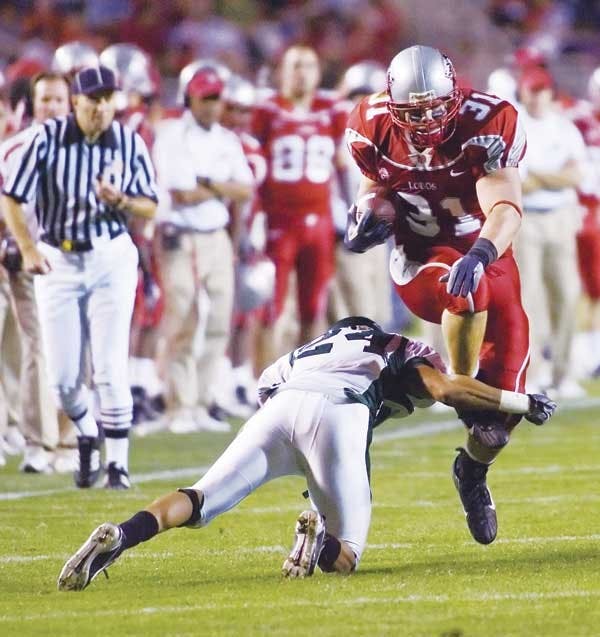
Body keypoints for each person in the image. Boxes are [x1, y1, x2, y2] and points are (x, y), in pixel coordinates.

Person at [57, 315, 555, 591]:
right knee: (347, 555)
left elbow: (271, 403)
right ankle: (316, 544)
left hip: (279, 406)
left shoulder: (297, 354)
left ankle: (122, 535)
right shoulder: (394, 345)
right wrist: (521, 401)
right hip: (339, 412)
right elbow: (447, 391)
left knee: (201, 497)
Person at [345, 45, 529, 544]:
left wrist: (481, 253)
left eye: (433, 107)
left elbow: (507, 207)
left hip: (487, 255)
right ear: (393, 104)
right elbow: (372, 187)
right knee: (459, 294)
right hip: (421, 258)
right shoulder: (372, 124)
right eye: (413, 111)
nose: (425, 120)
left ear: (454, 95)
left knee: (499, 422)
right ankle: (463, 388)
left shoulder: (490, 119)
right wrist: (366, 216)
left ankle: (471, 472)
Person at [0, 65, 158, 489]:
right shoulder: (45, 140)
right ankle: (87, 431)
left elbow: (151, 206)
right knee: (64, 378)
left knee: (109, 366)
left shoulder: (128, 141)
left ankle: (118, 466)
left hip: (110, 254)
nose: (101, 107)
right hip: (58, 258)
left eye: (108, 99)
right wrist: (29, 248)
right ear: (77, 102)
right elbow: (12, 199)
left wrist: (122, 199)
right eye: (94, 99)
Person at [152, 65, 254, 434]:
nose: (212, 106)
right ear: (188, 97)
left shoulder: (227, 139)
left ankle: (203, 399)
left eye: (216, 98)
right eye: (204, 98)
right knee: (183, 317)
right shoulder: (172, 135)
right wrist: (222, 186)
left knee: (217, 320)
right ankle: (178, 403)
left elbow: (245, 188)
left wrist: (208, 184)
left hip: (216, 235)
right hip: (182, 235)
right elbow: (181, 192)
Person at [251, 45, 351, 367]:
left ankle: (305, 374)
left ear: (319, 72)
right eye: (294, 65)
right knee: (271, 306)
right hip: (278, 220)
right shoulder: (266, 110)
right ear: (281, 71)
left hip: (319, 221)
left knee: (313, 307)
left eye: (308, 65)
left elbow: (343, 164)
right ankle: (261, 379)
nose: (301, 72)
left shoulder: (331, 110)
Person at [0, 71, 79, 474]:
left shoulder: (85, 148)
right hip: (29, 259)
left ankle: (68, 440)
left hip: (77, 260)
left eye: (58, 100)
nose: (50, 106)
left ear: (70, 104)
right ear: (33, 104)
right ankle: (39, 443)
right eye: (44, 99)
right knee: (37, 347)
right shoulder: (14, 149)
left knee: (76, 350)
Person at [515, 67, 586, 397]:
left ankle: (563, 371)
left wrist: (540, 177)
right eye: (531, 89)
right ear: (523, 91)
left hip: (560, 216)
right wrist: (552, 176)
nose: (536, 96)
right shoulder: (517, 126)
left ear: (550, 92)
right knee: (528, 298)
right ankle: (533, 372)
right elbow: (519, 181)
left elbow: (576, 176)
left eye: (541, 90)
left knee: (566, 293)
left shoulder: (564, 126)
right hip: (526, 218)